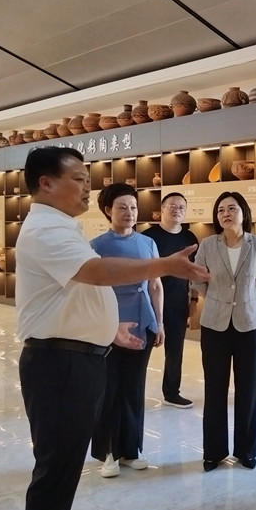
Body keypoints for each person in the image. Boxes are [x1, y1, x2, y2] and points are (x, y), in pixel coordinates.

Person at [15, 146, 208, 510]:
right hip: (59, 362)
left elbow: (75, 291)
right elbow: (96, 272)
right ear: (46, 183)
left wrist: (108, 328)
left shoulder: (61, 226)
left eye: (88, 181)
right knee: (55, 465)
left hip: (74, 355)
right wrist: (164, 266)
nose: (87, 189)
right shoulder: (46, 229)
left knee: (67, 460)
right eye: (78, 180)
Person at [192, 191, 256, 472]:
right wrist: (218, 299)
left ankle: (246, 450)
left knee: (248, 388)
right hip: (215, 324)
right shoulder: (208, 244)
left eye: (232, 208)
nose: (226, 214)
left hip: (250, 323)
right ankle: (213, 452)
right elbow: (198, 280)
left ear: (243, 213)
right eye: (221, 210)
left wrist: (247, 300)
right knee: (215, 388)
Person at [89, 183, 163, 478]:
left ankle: (132, 449)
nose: (129, 212)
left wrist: (160, 323)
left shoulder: (148, 243)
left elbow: (156, 285)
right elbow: (91, 291)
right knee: (108, 388)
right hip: (109, 322)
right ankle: (109, 451)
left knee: (134, 387)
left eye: (133, 207)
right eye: (122, 207)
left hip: (143, 319)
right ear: (108, 211)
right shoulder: (96, 246)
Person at [142, 192, 200, 408]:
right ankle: (134, 393)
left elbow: (194, 272)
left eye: (181, 207)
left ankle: (172, 392)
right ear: (162, 209)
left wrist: (193, 299)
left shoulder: (189, 238)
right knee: (143, 351)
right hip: (149, 302)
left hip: (177, 303)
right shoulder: (148, 237)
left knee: (175, 351)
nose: (177, 210)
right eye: (172, 206)